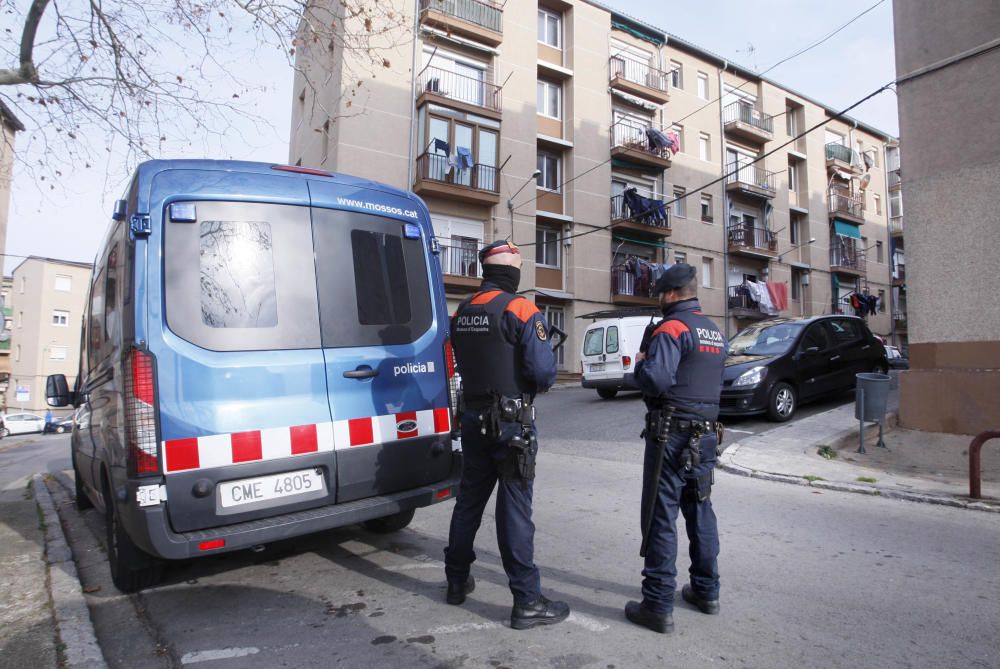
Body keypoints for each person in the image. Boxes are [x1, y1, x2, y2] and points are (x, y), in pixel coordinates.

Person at [444, 239, 570, 630]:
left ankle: (456, 580)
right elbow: (542, 374)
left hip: (473, 420)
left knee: (468, 503)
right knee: (514, 509)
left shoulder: (463, 310)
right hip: (512, 424)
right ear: (511, 270)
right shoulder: (520, 308)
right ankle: (527, 601)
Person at [625, 263, 727, 634]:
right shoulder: (714, 331)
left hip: (671, 436)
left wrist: (639, 367)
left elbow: (655, 380)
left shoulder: (671, 328)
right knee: (700, 511)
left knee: (661, 515)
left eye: (659, 294)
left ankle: (657, 603)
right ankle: (706, 591)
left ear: (669, 294)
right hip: (706, 436)